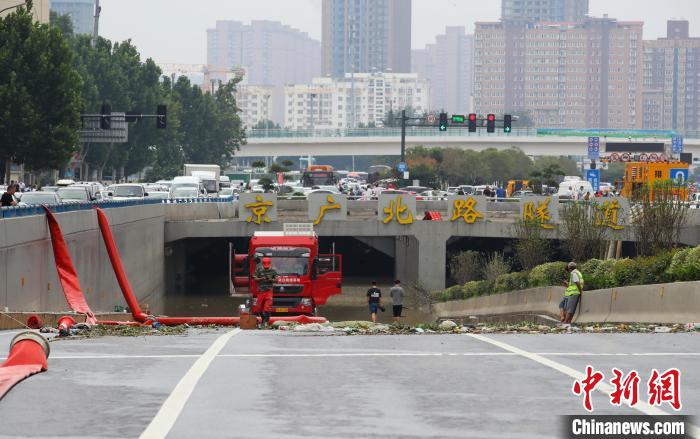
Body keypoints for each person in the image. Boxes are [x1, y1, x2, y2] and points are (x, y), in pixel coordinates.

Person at [253, 257, 277, 327]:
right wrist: (261, 278)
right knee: (258, 307)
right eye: (265, 267)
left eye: (267, 267)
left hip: (268, 291)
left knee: (267, 307)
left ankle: (266, 322)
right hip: (260, 291)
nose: (266, 268)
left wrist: (270, 279)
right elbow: (255, 278)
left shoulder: (273, 270)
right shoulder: (259, 269)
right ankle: (263, 319)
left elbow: (276, 280)